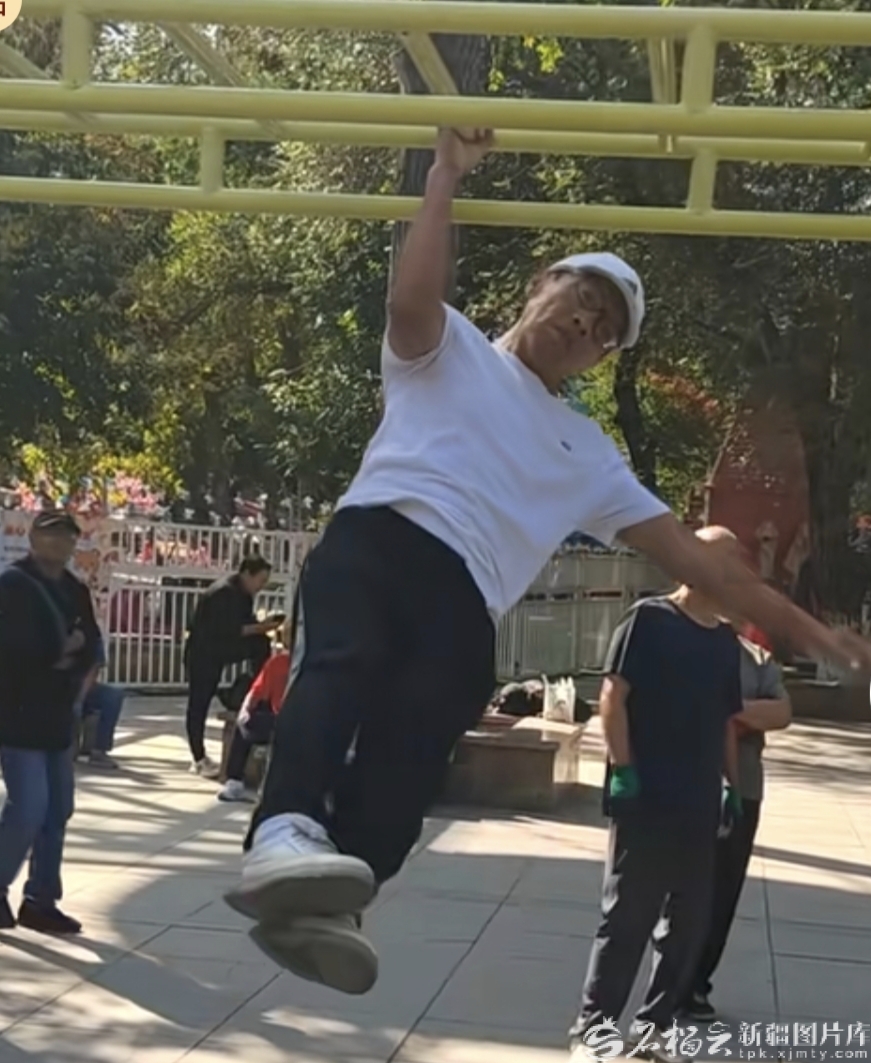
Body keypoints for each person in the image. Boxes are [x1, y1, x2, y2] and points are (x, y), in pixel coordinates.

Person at [223, 127, 871, 997]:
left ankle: (336, 890)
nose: (583, 325)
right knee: (341, 665)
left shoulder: (588, 451)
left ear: (602, 358)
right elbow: (409, 297)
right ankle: (283, 828)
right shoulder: (448, 348)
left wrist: (810, 633)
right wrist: (445, 177)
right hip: (380, 538)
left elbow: (705, 562)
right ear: (540, 287)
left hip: (468, 597)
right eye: (579, 300)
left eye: (603, 331)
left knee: (424, 733)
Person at [569, 527, 745, 1062]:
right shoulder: (648, 620)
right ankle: (594, 1031)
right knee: (628, 917)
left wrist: (732, 786)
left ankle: (654, 1030)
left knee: (687, 926)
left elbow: (725, 722)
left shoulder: (724, 641)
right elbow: (612, 697)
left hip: (698, 804)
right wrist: (623, 770)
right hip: (646, 797)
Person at [681, 630, 791, 1021]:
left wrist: (730, 714)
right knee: (681, 889)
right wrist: (743, 717)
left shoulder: (756, 657)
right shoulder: (682, 640)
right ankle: (670, 982)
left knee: (724, 891)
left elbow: (782, 712)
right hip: (687, 782)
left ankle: (696, 983)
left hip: (743, 788)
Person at [0, 510, 100, 934]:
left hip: (58, 713)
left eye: (67, 536)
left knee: (57, 809)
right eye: (51, 534)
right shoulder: (13, 585)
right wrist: (62, 648)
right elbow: (17, 650)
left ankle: (41, 899)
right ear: (33, 538)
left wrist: (68, 656)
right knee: (29, 806)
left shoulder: (75, 589)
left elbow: (90, 645)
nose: (60, 543)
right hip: (17, 713)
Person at [184, 557, 283, 779]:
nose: (261, 586)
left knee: (260, 644)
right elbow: (234, 629)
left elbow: (247, 624)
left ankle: (256, 690)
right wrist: (262, 627)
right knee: (199, 702)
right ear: (247, 574)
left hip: (223, 648)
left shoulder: (244, 594)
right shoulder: (223, 593)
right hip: (204, 652)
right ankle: (198, 757)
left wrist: (262, 626)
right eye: (260, 580)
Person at [218, 622, 292, 804]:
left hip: (284, 722)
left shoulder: (278, 662)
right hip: (298, 722)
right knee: (249, 724)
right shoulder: (313, 666)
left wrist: (245, 711)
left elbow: (256, 693)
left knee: (244, 726)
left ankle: (234, 781)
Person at [77, 635, 126, 770]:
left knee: (113, 696)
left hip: (79, 687)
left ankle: (99, 750)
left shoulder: (90, 632)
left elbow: (94, 669)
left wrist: (80, 697)